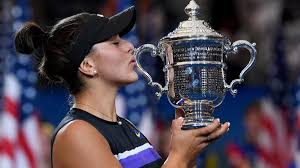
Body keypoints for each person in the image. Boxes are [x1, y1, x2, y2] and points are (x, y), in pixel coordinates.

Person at [14, 6, 230, 168]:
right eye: (115, 43)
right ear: (87, 65)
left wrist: (190, 151)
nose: (129, 47)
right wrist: (180, 155)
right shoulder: (76, 134)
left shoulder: (124, 126)